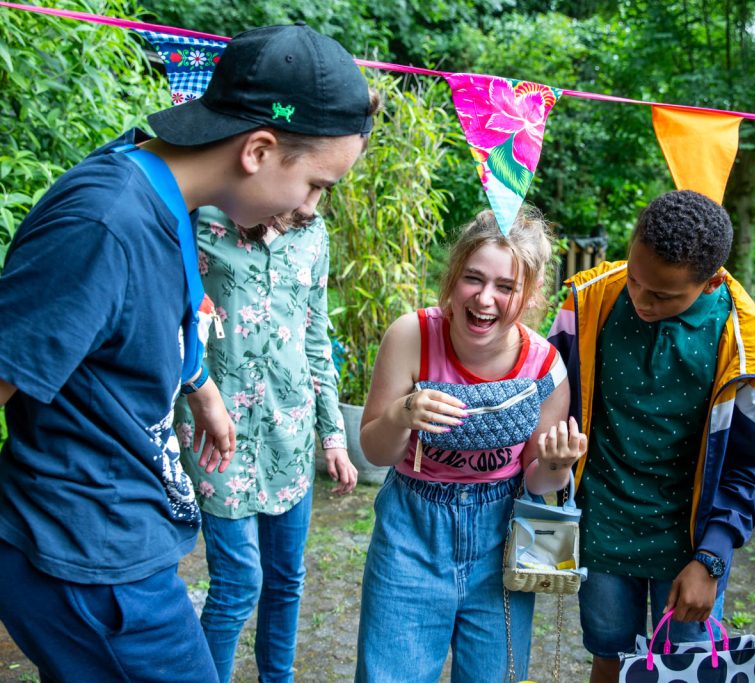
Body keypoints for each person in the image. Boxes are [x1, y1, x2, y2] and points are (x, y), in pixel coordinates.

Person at [0, 23, 374, 681]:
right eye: (318, 185)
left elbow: (144, 317)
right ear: (258, 149)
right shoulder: (105, 221)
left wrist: (202, 389)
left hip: (117, 544)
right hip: (86, 560)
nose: (313, 209)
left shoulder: (168, 189)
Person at [547, 189, 755, 683]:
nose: (641, 299)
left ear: (711, 281)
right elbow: (548, 401)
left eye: (664, 295)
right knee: (608, 654)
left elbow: (753, 464)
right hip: (604, 527)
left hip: (690, 544)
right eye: (635, 279)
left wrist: (711, 558)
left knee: (689, 665)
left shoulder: (745, 343)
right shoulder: (587, 301)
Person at [354, 207, 586, 682]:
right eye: (472, 279)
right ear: (453, 276)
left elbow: (537, 479)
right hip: (410, 533)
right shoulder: (412, 335)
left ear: (529, 293)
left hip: (501, 535)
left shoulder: (546, 366)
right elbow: (376, 453)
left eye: (506, 287)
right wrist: (401, 415)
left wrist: (558, 465)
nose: (484, 299)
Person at [173, 202, 369, 681]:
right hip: (216, 432)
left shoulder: (314, 232)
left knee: (285, 580)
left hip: (290, 430)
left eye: (326, 189)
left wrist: (333, 436)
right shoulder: (204, 217)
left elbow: (316, 337)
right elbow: (171, 318)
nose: (314, 199)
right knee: (238, 584)